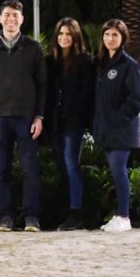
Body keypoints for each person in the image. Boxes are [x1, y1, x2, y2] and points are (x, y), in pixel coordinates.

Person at [0, 0, 47, 233]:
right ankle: (5, 217)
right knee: (1, 170)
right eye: (7, 15)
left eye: (15, 15)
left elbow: (42, 86)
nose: (11, 19)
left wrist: (39, 116)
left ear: (22, 19)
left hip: (26, 119)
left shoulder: (33, 48)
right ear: (0, 18)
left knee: (30, 169)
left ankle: (31, 217)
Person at [91, 19, 140, 233]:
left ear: (122, 38)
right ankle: (120, 214)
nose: (110, 39)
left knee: (119, 170)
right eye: (107, 34)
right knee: (115, 172)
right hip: (107, 129)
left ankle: (124, 216)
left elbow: (139, 96)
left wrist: (118, 117)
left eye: (115, 35)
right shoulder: (103, 64)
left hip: (121, 129)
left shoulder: (128, 65)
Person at [46, 17, 95, 231]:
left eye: (68, 34)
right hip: (55, 122)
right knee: (62, 166)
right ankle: (66, 211)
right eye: (61, 34)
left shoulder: (85, 61)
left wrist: (73, 110)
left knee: (71, 163)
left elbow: (87, 93)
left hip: (73, 122)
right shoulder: (50, 61)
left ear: (75, 37)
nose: (64, 38)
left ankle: (77, 213)